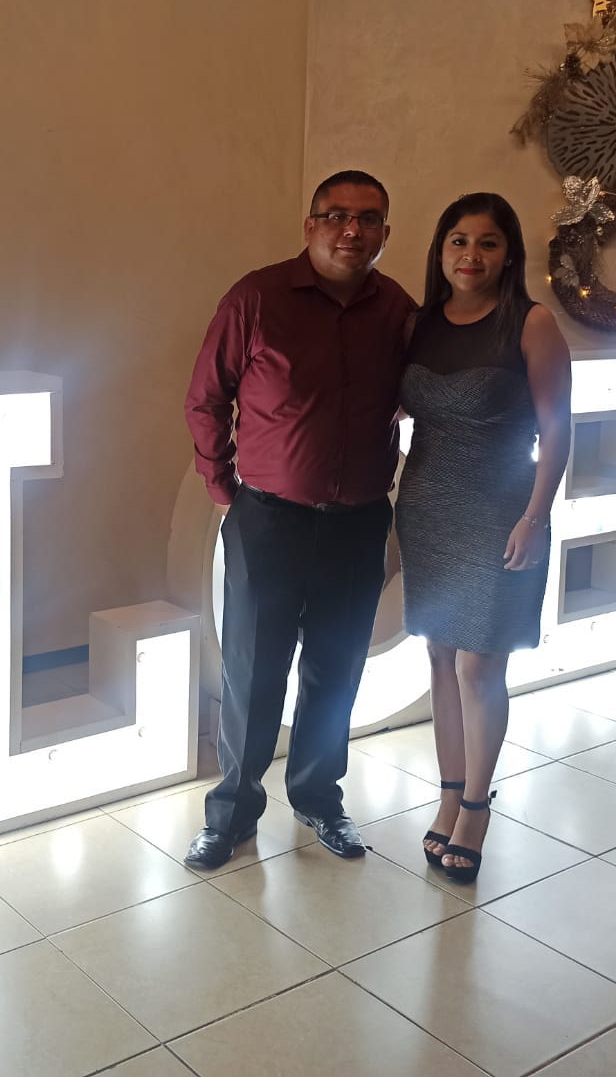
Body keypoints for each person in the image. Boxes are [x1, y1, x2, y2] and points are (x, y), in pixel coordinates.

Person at [182, 170, 414, 870]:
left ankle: (318, 797)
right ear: (310, 225)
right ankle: (232, 812)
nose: (352, 230)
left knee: (336, 669)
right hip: (268, 521)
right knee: (254, 673)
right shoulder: (257, 298)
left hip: (359, 523)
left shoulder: (398, 311)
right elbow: (206, 397)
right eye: (337, 215)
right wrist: (222, 487)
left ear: (384, 233)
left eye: (368, 219)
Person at [397, 191, 571, 883]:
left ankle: (476, 807)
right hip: (426, 510)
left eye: (488, 242)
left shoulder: (530, 323)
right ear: (441, 251)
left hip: (501, 511)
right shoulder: (418, 324)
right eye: (459, 241)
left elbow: (557, 427)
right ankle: (448, 794)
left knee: (479, 666)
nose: (471, 254)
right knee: (440, 656)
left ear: (508, 254)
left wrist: (537, 515)